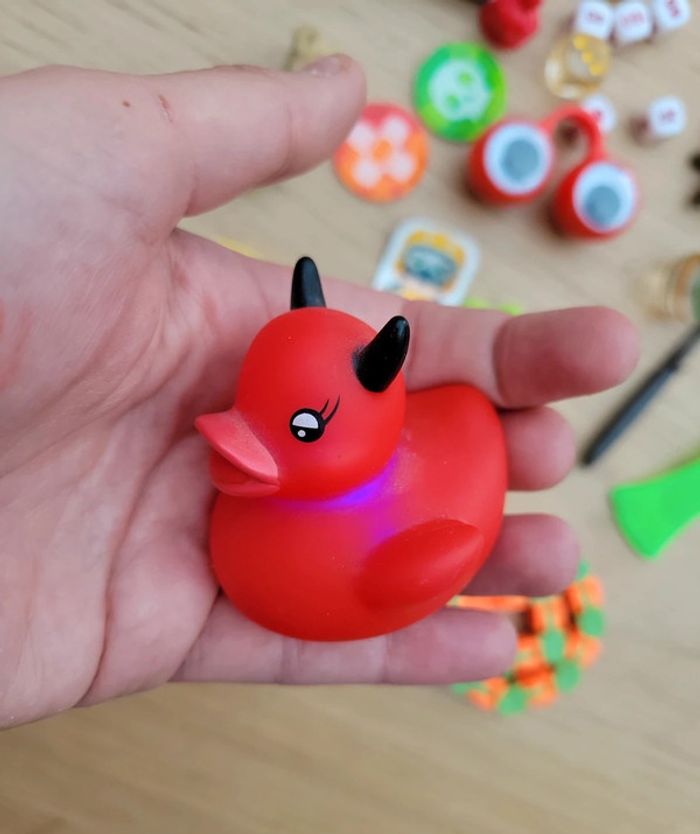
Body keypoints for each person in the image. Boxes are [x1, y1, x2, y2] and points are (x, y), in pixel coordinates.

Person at [0, 57, 638, 728]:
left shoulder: (349, 538)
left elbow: (437, 554)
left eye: (304, 427)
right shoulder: (250, 523)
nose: (232, 435)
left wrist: (411, 564)